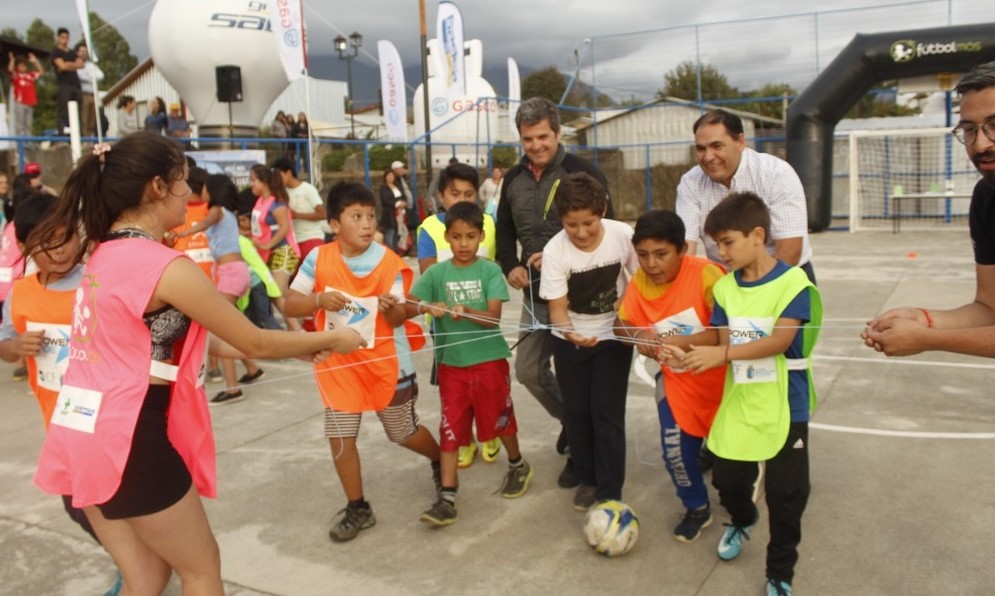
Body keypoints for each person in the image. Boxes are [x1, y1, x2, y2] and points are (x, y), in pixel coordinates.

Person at [29, 132, 365, 595]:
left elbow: (176, 346)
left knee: (145, 578)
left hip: (81, 433)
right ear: (157, 188)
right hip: (130, 438)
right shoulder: (164, 266)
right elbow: (256, 340)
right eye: (183, 182)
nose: (190, 194)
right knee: (201, 570)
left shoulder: (102, 257)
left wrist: (304, 347)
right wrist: (338, 336)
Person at [672, 192, 822, 596]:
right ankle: (742, 518)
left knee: (787, 494)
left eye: (728, 242)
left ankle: (780, 572)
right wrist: (677, 341)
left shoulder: (794, 282)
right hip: (741, 398)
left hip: (786, 401)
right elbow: (719, 336)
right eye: (716, 244)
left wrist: (720, 353)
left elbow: (778, 340)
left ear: (758, 235)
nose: (721, 252)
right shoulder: (726, 289)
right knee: (728, 479)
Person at [283, 182, 441, 543]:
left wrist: (394, 308)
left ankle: (439, 459)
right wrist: (319, 299)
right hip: (339, 366)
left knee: (401, 432)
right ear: (334, 225)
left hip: (388, 364)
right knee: (340, 438)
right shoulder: (318, 259)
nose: (367, 223)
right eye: (356, 216)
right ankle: (358, 507)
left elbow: (400, 317)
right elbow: (291, 305)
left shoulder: (388, 261)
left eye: (371, 216)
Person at [0, 193, 124, 594]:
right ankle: (130, 559)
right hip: (58, 421)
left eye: (66, 237)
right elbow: (4, 342)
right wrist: (16, 348)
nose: (59, 250)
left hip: (110, 418)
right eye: (46, 242)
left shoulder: (97, 280)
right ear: (23, 246)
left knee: (114, 500)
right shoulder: (20, 293)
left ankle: (138, 568)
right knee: (76, 504)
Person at [495, 96, 615, 488]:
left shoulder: (583, 173)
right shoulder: (512, 179)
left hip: (578, 300)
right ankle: (573, 422)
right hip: (533, 297)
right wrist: (509, 263)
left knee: (580, 380)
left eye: (542, 136)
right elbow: (504, 230)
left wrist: (564, 259)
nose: (536, 145)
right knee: (528, 371)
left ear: (558, 132)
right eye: (527, 139)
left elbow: (604, 232)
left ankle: (582, 450)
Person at [407, 201, 533, 526]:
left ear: (481, 237)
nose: (464, 244)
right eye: (457, 236)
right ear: (447, 237)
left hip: (490, 363)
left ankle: (518, 464)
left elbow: (492, 319)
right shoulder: (436, 273)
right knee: (450, 428)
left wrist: (466, 311)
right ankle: (447, 497)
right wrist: (424, 307)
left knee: (500, 419)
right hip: (451, 367)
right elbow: (406, 306)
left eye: (471, 236)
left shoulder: (490, 270)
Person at [864, 61, 995, 359]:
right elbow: (989, 309)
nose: (981, 144)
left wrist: (928, 338)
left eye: (994, 125)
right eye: (969, 129)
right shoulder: (986, 198)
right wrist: (923, 318)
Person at [615, 209, 726, 542]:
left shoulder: (709, 275)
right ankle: (696, 507)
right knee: (675, 453)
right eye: (644, 255)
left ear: (682, 250)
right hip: (677, 383)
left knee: (732, 464)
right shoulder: (639, 283)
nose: (651, 264)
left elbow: (726, 336)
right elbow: (619, 325)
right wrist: (639, 336)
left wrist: (671, 339)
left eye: (661, 254)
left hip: (722, 383)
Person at [538, 172, 636, 511]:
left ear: (603, 210)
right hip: (570, 340)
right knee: (577, 411)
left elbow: (641, 283)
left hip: (613, 337)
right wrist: (570, 333)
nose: (581, 233)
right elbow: (557, 308)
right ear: (561, 221)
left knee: (606, 413)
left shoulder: (624, 236)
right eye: (571, 225)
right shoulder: (555, 251)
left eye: (589, 223)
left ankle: (610, 489)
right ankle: (587, 477)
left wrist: (628, 314)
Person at [416, 163, 499, 468]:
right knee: (454, 391)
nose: (461, 199)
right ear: (441, 195)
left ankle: (489, 434)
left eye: (468, 193)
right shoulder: (429, 228)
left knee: (487, 387)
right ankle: (462, 439)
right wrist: (442, 305)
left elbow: (495, 266)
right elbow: (427, 275)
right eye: (454, 193)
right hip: (446, 328)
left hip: (481, 324)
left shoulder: (489, 224)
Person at [676, 110, 815, 284]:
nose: (708, 157)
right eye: (701, 148)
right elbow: (685, 248)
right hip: (727, 282)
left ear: (740, 142)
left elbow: (790, 249)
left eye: (717, 146)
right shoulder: (690, 183)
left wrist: (757, 294)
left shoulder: (776, 173)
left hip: (785, 275)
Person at [177, 170, 262, 405]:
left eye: (205, 187)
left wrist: (180, 233)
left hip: (229, 273)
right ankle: (252, 368)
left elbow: (204, 223)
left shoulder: (216, 210)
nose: (202, 190)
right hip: (236, 272)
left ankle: (233, 388)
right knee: (232, 325)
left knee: (222, 331)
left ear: (211, 191)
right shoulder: (230, 214)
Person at [248, 163, 301, 330]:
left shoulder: (276, 203)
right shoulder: (261, 201)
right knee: (279, 294)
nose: (251, 184)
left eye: (254, 180)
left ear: (264, 182)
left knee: (275, 293)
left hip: (284, 251)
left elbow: (284, 227)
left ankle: (297, 331)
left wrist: (266, 245)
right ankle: (294, 332)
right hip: (269, 253)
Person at [273, 156, 325, 261]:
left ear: (288, 172)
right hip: (293, 241)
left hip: (311, 238)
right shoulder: (283, 193)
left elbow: (323, 214)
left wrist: (297, 215)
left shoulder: (307, 189)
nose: (277, 180)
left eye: (279, 175)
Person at [51, 27, 83, 135]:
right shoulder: (55, 52)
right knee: (63, 112)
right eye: (63, 37)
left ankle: (77, 134)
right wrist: (70, 65)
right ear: (58, 38)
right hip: (63, 85)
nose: (65, 40)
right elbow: (62, 66)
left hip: (76, 85)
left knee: (78, 111)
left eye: (67, 38)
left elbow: (81, 64)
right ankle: (62, 136)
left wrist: (68, 65)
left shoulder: (72, 52)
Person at [7, 52, 43, 138]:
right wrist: (12, 60)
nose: (23, 67)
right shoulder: (16, 76)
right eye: (20, 65)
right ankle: (20, 145)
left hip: (30, 103)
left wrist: (35, 61)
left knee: (28, 125)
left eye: (24, 65)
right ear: (17, 67)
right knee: (20, 125)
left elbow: (41, 72)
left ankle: (28, 143)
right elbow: (10, 70)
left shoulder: (30, 75)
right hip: (20, 102)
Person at [75, 42, 104, 137]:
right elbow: (81, 76)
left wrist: (90, 76)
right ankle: (84, 139)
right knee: (84, 119)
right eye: (82, 51)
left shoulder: (90, 65)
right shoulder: (76, 64)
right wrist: (92, 77)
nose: (84, 53)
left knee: (92, 119)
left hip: (93, 94)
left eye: (85, 51)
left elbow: (101, 75)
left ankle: (89, 138)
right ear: (77, 52)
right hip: (84, 94)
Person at [378, 170, 404, 252]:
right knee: (390, 232)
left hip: (399, 213)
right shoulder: (383, 188)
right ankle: (390, 251)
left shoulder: (397, 186)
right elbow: (385, 200)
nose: (390, 177)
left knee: (397, 232)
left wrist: (403, 203)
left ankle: (397, 251)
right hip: (389, 214)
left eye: (392, 175)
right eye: (388, 175)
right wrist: (396, 204)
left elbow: (403, 196)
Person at [390, 160, 417, 233]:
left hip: (409, 206)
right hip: (402, 208)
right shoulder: (394, 180)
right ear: (395, 170)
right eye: (401, 168)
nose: (403, 169)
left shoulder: (404, 178)